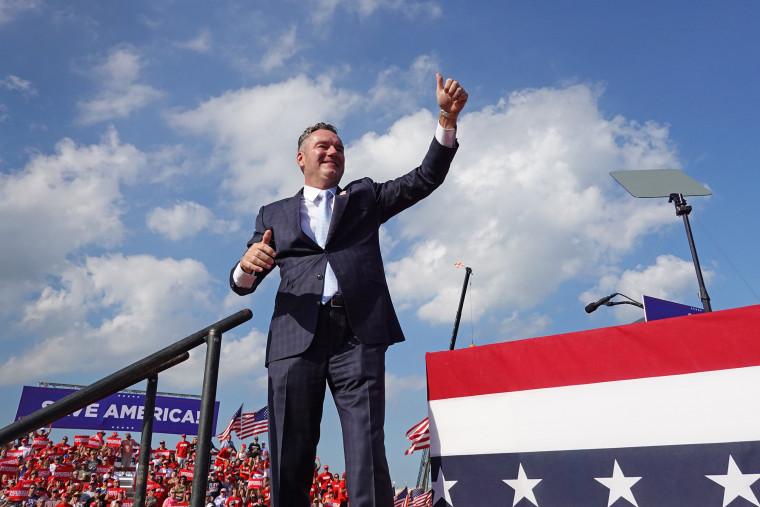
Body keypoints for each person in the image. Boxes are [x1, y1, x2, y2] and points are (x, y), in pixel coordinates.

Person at [229, 73, 467, 507]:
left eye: (339, 147)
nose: (333, 151)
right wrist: (245, 268)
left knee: (365, 447)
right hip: (294, 336)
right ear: (300, 158)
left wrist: (446, 120)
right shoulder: (273, 213)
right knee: (289, 447)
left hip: (357, 335)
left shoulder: (365, 198)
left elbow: (425, 178)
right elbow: (244, 282)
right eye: (323, 146)